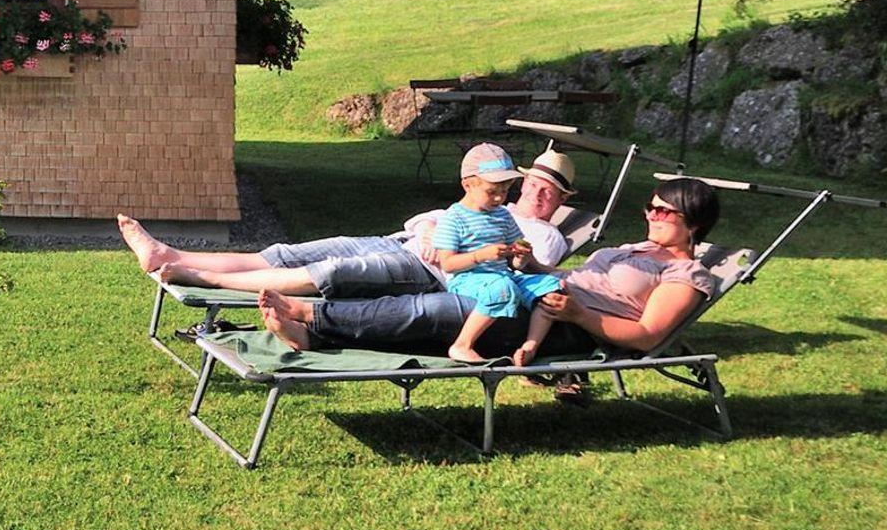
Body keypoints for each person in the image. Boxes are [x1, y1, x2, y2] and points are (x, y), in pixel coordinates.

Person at [253, 176, 723, 369]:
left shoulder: (687, 275)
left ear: (694, 222)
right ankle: (315, 334)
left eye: (664, 212)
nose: (652, 215)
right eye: (651, 207)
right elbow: (571, 275)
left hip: (569, 328)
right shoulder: (631, 249)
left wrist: (579, 315)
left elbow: (646, 335)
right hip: (539, 295)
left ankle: (311, 316)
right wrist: (533, 265)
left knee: (433, 311)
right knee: (428, 311)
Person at [116, 143, 579, 301]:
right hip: (399, 242)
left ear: (560, 202)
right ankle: (168, 253)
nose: (538, 194)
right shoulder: (492, 202)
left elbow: (520, 268)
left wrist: (455, 246)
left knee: (328, 273)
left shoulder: (545, 234)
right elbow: (424, 218)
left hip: (423, 272)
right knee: (291, 252)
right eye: (534, 184)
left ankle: (201, 277)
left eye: (550, 192)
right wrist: (430, 229)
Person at [433, 144, 566, 363]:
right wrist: (481, 255)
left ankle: (530, 346)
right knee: (502, 288)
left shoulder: (503, 215)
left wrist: (520, 257)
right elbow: (447, 264)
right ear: (467, 185)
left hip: (504, 275)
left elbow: (515, 262)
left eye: (504, 191)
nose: (499, 198)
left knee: (551, 287)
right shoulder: (454, 218)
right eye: (492, 192)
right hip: (468, 278)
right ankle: (462, 345)